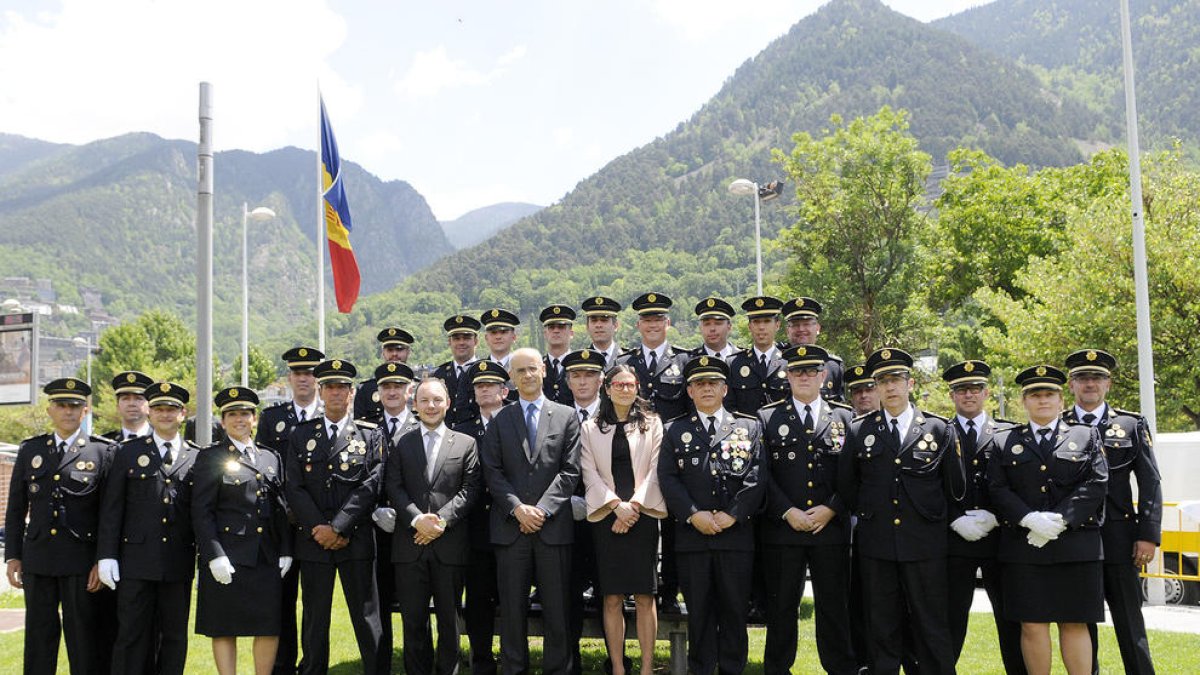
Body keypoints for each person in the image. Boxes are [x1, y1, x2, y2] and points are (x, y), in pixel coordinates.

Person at [838, 348, 964, 675]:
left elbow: (954, 489)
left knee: (931, 623)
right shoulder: (859, 430)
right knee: (881, 624)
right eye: (882, 381)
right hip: (877, 543)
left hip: (925, 544)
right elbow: (848, 485)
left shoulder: (938, 429)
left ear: (910, 383)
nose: (890, 387)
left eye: (896, 380)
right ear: (876, 387)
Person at [988, 364, 1108, 675]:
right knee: (1032, 624)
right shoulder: (1004, 440)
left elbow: (1096, 484)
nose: (1043, 400)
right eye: (1035, 395)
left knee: (1075, 622)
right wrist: (1029, 519)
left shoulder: (1085, 435)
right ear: (1024, 401)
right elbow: (997, 488)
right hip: (1024, 547)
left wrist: (1058, 521)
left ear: (1060, 400)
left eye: (1049, 394)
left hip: (1075, 545)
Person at [657, 355, 765, 675]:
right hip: (693, 537)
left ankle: (732, 668)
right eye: (699, 384)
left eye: (713, 383)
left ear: (725, 389)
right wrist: (693, 515)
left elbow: (757, 477)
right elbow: (668, 479)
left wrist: (732, 515)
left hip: (735, 537)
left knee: (734, 609)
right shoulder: (674, 430)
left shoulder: (748, 426)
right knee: (699, 611)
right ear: (689, 391)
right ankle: (701, 668)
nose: (706, 389)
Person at [480, 347, 582, 675]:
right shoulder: (500, 420)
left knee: (557, 612)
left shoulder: (566, 416)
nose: (526, 375)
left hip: (553, 531)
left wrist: (541, 511)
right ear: (510, 376)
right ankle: (513, 669)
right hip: (512, 531)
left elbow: (570, 471)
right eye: (519, 370)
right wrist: (517, 510)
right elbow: (492, 471)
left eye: (532, 369)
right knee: (512, 611)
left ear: (544, 371)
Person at [284, 359, 389, 675]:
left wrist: (339, 526)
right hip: (314, 540)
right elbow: (294, 486)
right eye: (329, 386)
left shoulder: (370, 435)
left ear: (352, 392)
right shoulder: (301, 435)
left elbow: (371, 485)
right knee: (315, 618)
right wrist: (319, 528)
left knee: (367, 616)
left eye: (342, 387)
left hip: (355, 538)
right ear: (321, 390)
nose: (335, 393)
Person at [5, 378, 116, 674]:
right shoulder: (31, 449)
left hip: (81, 561)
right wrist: (13, 555)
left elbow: (108, 514)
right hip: (38, 558)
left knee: (84, 638)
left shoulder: (102, 452)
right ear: (50, 409)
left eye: (75, 406)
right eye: (62, 405)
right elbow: (16, 507)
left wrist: (100, 560)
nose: (68, 411)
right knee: (39, 636)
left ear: (85, 411)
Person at [1062, 348, 1161, 675]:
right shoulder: (1058, 426)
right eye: (1082, 378)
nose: (1090, 384)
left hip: (1120, 539)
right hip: (1076, 540)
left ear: (1109, 384)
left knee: (1130, 623)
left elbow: (1150, 482)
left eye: (1097, 378)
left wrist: (1148, 535)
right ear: (1071, 385)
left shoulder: (1131, 425)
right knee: (1080, 623)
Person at [760, 345, 858, 675]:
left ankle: (840, 668)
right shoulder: (767, 417)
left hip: (829, 530)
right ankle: (777, 669)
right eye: (797, 371)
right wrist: (788, 511)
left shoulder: (845, 418)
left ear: (823, 376)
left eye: (810, 371)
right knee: (782, 607)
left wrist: (832, 509)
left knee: (834, 608)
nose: (804, 377)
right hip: (783, 530)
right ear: (787, 376)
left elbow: (854, 475)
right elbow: (762, 476)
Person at [98, 381, 200, 675]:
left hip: (178, 561)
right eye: (158, 408)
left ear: (183, 413)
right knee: (131, 635)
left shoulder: (196, 456)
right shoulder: (126, 453)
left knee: (174, 637)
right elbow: (112, 509)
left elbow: (200, 513)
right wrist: (106, 555)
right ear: (150, 413)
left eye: (171, 409)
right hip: (136, 563)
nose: (165, 414)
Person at [192, 386, 293, 675]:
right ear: (222, 421)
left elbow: (280, 508)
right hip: (228, 556)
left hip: (265, 555)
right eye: (232, 414)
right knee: (224, 626)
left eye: (245, 413)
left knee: (268, 624)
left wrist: (285, 549)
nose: (240, 419)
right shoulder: (210, 457)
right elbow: (202, 510)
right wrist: (213, 555)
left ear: (255, 418)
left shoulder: (270, 457)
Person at [386, 377, 482, 675]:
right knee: (413, 622)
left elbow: (470, 490)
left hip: (449, 545)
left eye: (437, 400)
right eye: (425, 400)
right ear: (415, 405)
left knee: (449, 622)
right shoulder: (401, 441)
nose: (431, 406)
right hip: (409, 545)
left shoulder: (466, 443)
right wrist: (417, 519)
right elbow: (394, 485)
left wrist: (439, 522)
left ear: (448, 403)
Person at [581, 363, 667, 675]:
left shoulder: (652, 423)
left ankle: (646, 668)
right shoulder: (591, 428)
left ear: (637, 388)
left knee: (645, 595)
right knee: (612, 596)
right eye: (619, 384)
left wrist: (633, 507)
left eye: (630, 384)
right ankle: (618, 667)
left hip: (642, 515)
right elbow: (589, 474)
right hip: (607, 517)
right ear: (607, 389)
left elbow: (658, 470)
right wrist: (616, 506)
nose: (625, 389)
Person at [941, 360, 1026, 674]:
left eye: (975, 388)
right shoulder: (939, 432)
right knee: (950, 620)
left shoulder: (1008, 433)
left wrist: (998, 517)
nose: (968, 395)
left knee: (1009, 619)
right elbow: (932, 486)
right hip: (956, 541)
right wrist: (954, 518)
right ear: (952, 395)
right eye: (961, 389)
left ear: (987, 392)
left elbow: (1019, 486)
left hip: (1000, 542)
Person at [617, 291, 691, 613]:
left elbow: (690, 412)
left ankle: (670, 593)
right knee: (639, 524)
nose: (652, 325)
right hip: (634, 459)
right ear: (638, 324)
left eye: (658, 319)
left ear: (668, 322)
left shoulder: (685, 361)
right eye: (646, 319)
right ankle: (637, 588)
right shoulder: (624, 364)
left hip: (673, 458)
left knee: (673, 527)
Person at [255, 344, 322, 675]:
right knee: (281, 599)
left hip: (315, 525)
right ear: (289, 378)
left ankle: (310, 663)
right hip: (281, 522)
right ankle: (282, 666)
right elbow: (265, 470)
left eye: (310, 373)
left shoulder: (330, 417)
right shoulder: (272, 418)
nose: (304, 379)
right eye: (298, 373)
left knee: (313, 600)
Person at [451, 360, 513, 675]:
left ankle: (515, 660)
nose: (483, 389)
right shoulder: (462, 430)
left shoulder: (518, 422)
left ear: (504, 390)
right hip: (475, 528)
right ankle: (482, 661)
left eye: (489, 384)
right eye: (478, 385)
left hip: (513, 524)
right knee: (477, 600)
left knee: (513, 598)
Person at [368, 361, 421, 660]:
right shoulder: (365, 428)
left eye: (398, 386)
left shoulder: (422, 425)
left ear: (409, 390)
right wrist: (375, 509)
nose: (392, 391)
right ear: (378, 392)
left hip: (412, 528)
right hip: (375, 531)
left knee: (416, 605)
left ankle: (418, 661)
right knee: (378, 604)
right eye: (386, 386)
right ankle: (380, 663)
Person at [725, 295, 788, 416]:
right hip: (745, 431)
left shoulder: (788, 362)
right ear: (749, 326)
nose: (761, 327)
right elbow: (729, 406)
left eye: (767, 321)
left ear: (777, 325)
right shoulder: (734, 364)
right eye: (756, 322)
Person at [780, 297, 844, 402]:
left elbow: (839, 409)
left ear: (818, 328)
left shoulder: (833, 366)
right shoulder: (778, 364)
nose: (801, 329)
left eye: (806, 324)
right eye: (795, 325)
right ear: (788, 330)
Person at [354, 327, 414, 424]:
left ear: (408, 352)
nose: (394, 354)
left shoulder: (420, 387)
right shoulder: (366, 389)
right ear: (383, 353)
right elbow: (359, 427)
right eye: (390, 350)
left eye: (399, 349)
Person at [432, 314, 482, 427]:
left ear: (476, 341)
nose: (461, 342)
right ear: (449, 342)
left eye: (466, 338)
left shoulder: (484, 371)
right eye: (456, 338)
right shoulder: (439, 374)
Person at [542, 304, 578, 405]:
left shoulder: (578, 365)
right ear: (545, 333)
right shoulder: (537, 367)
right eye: (551, 327)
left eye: (561, 327)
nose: (556, 331)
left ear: (571, 333)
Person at [103, 370, 154, 441]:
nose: (131, 403)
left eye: (138, 399)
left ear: (149, 406)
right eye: (125, 399)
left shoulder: (162, 440)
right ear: (117, 406)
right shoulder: (106, 445)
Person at [581, 295, 623, 368]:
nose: (598, 325)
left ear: (616, 325)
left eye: (604, 320)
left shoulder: (628, 359)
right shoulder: (580, 361)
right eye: (594, 321)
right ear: (587, 327)